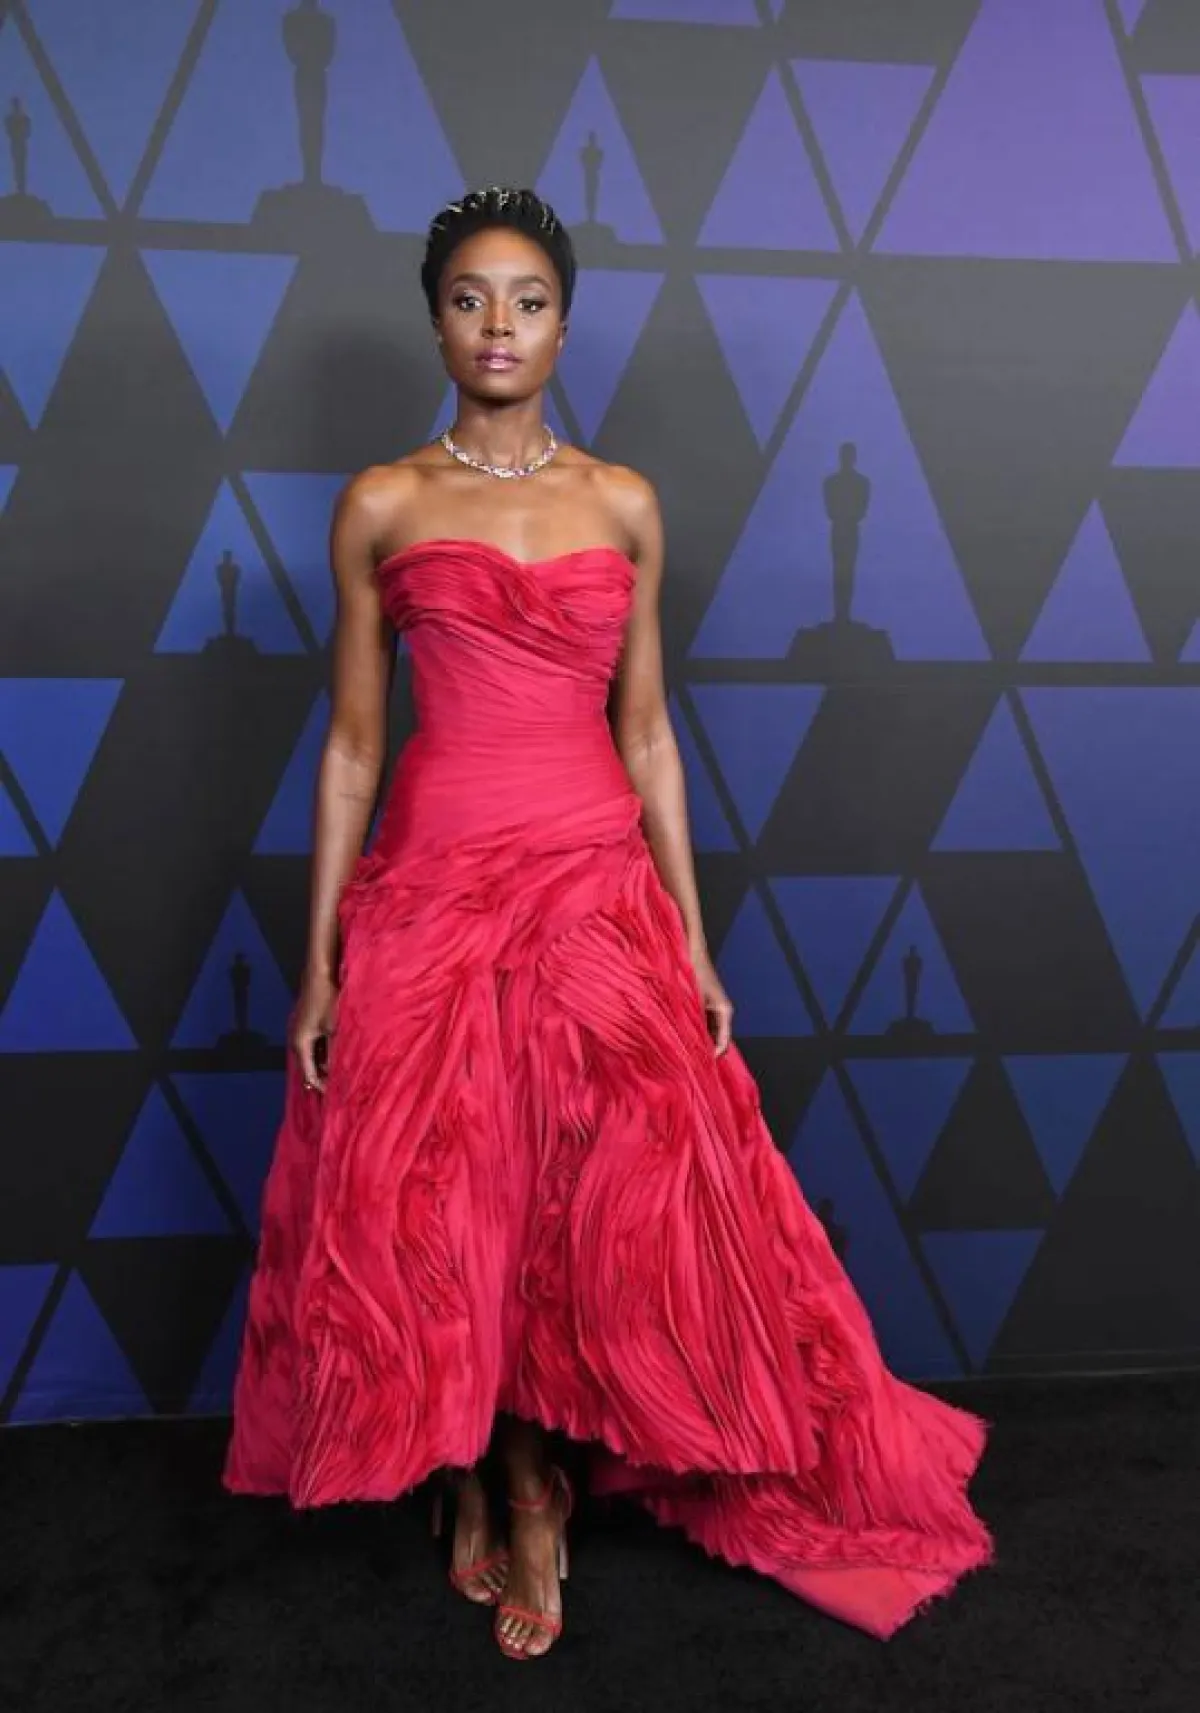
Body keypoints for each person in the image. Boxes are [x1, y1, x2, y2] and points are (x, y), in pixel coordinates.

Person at [223, 186, 994, 1661]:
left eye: (527, 301)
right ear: (435, 323)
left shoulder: (622, 501)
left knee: (590, 1205)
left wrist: (690, 937)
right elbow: (352, 747)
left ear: (565, 328)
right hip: (433, 890)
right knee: (453, 1200)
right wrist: (319, 961)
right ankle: (484, 1471)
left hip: (591, 883)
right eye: (469, 299)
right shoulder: (383, 502)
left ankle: (533, 1486)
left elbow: (646, 734)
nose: (498, 326)